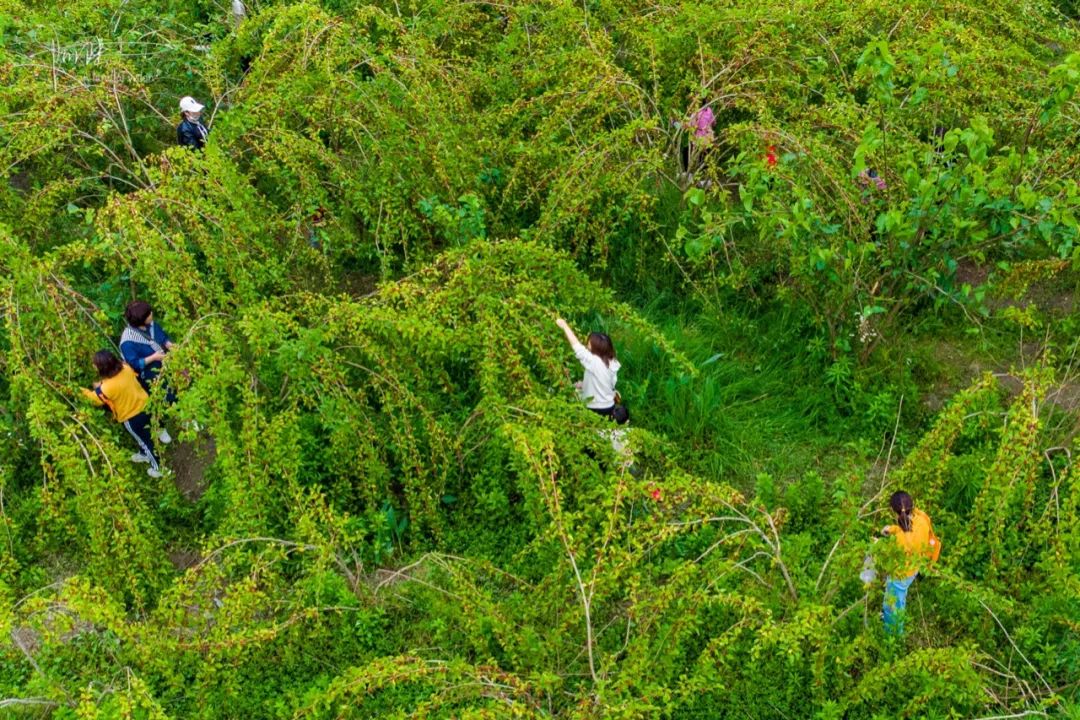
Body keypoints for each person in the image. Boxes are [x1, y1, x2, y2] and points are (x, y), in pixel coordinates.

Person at [82, 351, 166, 478]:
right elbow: (118, 383)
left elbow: (95, 399)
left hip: (132, 417)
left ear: (102, 368)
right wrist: (100, 385)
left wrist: (80, 391)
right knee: (146, 434)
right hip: (146, 405)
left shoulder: (106, 388)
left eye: (95, 365)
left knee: (145, 441)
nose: (93, 366)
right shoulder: (126, 369)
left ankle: (159, 468)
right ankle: (144, 454)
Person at [879, 490, 941, 636]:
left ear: (894, 512)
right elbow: (908, 531)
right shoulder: (922, 517)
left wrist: (878, 545)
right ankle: (890, 618)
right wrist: (893, 529)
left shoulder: (901, 540)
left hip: (901, 573)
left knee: (894, 602)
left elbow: (890, 552)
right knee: (898, 595)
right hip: (915, 566)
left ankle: (893, 634)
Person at [555, 317, 621, 419]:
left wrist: (564, 326)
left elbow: (577, 347)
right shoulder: (612, 361)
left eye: (589, 343)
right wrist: (584, 384)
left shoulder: (595, 362)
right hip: (609, 406)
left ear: (596, 347)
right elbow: (606, 382)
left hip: (595, 409)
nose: (587, 344)